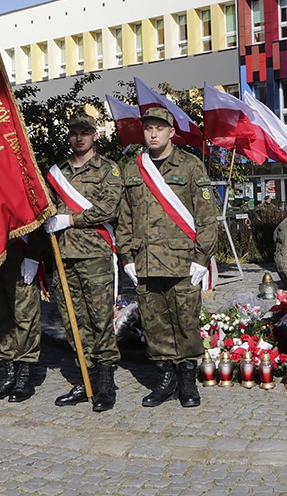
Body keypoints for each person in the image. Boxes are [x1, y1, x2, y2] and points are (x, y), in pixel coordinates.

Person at [117, 107, 217, 408]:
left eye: (160, 128)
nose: (153, 133)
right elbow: (125, 217)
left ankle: (187, 382)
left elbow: (207, 218)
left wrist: (201, 259)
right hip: (146, 263)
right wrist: (127, 257)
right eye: (148, 128)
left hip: (182, 263)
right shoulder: (133, 169)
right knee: (154, 325)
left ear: (171, 132)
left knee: (185, 323)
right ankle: (165, 380)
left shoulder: (190, 166)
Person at [43, 111, 123, 412]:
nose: (79, 137)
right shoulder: (57, 173)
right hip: (63, 257)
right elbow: (44, 207)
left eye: (85, 132)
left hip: (94, 255)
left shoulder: (108, 170)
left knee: (100, 320)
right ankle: (85, 378)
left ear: (95, 136)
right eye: (75, 132)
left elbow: (109, 208)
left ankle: (105, 383)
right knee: (73, 322)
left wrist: (70, 218)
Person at [0, 232, 47, 403]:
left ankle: (25, 374)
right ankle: (9, 370)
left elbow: (37, 214)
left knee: (25, 314)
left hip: (20, 252)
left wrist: (33, 255)